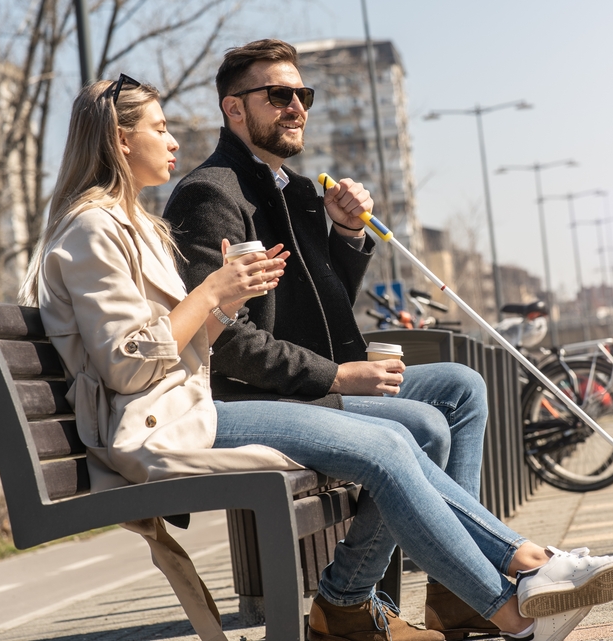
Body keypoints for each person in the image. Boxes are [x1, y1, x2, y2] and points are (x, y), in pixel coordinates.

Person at [21, 77, 613, 641]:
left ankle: (507, 585)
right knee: (389, 442)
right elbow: (126, 368)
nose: (172, 139)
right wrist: (214, 294)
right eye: (158, 128)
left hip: (188, 406)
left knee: (404, 431)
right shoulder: (91, 230)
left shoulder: (139, 226)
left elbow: (189, 341)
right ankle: (516, 597)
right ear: (118, 139)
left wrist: (225, 300)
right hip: (159, 426)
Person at [162, 39, 498, 639]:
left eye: (302, 95)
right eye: (278, 95)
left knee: (460, 386)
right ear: (234, 110)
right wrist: (339, 377)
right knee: (421, 422)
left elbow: (320, 301)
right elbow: (224, 340)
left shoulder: (292, 189)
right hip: (254, 395)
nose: (296, 107)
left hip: (312, 380)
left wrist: (343, 232)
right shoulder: (212, 193)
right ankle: (355, 600)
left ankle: (454, 594)